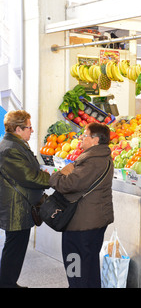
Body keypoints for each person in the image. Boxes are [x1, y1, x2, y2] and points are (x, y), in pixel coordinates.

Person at [49, 123, 114, 288]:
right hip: (96, 221)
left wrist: (55, 176)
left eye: (85, 135)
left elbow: (69, 184)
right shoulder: (104, 157)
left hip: (80, 224)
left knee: (75, 266)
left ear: (95, 140)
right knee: (90, 265)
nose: (81, 138)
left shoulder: (91, 161)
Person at [0, 110, 50, 288]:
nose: (32, 130)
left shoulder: (16, 144)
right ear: (17, 129)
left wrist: (39, 174)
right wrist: (54, 179)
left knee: (17, 248)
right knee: (14, 248)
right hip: (16, 208)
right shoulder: (10, 149)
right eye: (29, 127)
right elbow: (29, 177)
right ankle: (6, 283)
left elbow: (28, 172)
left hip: (21, 206)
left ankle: (9, 282)